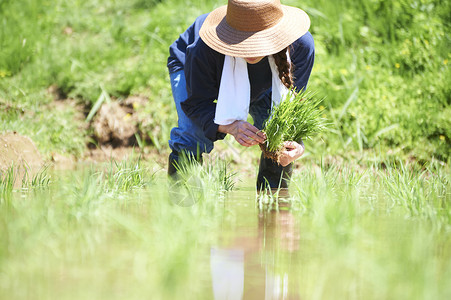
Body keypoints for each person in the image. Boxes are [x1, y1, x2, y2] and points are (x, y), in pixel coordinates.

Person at [167, 0, 314, 190]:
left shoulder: (300, 46)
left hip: (264, 82)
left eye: (256, 43)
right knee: (192, 133)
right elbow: (196, 104)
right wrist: (231, 126)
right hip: (199, 68)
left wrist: (297, 146)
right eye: (243, 41)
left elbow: (291, 108)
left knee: (278, 134)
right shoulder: (204, 48)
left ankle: (272, 205)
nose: (250, 50)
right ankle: (180, 205)